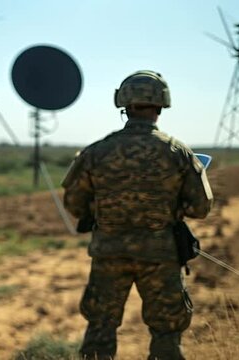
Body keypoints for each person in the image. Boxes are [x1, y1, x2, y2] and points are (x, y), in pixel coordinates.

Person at [61, 70, 213, 360]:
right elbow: (201, 208)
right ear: (161, 104)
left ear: (124, 104)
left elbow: (75, 204)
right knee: (167, 333)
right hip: (160, 256)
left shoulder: (96, 152)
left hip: (109, 255)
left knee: (100, 327)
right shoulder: (178, 152)